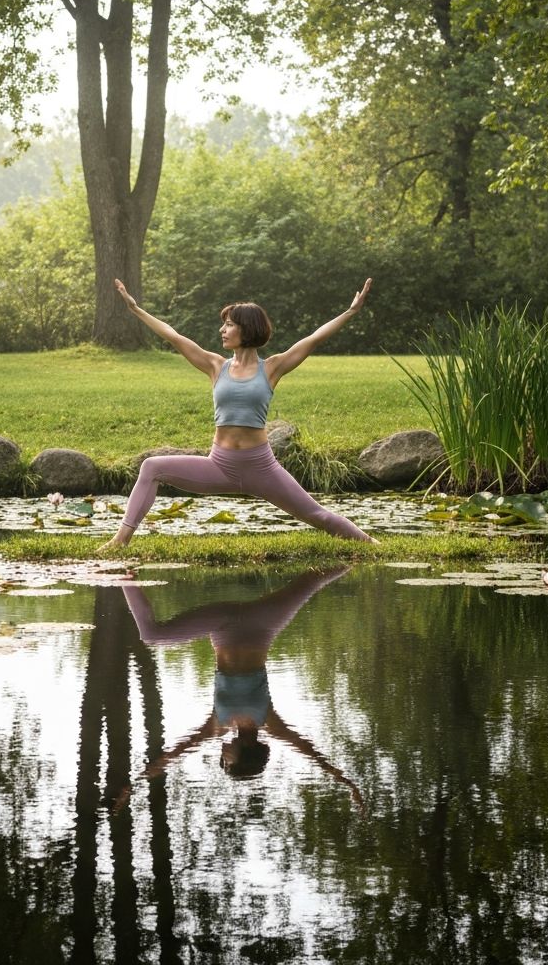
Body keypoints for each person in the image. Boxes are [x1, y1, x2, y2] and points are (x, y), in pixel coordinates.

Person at [102, 277, 376, 547]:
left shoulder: (271, 368)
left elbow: (315, 338)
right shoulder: (215, 366)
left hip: (262, 468)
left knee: (319, 516)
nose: (222, 329)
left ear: (247, 329)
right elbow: (173, 336)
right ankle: (121, 540)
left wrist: (351, 311)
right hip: (220, 465)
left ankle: (372, 545)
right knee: (152, 467)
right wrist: (135, 309)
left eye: (229, 324)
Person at [113, 568, 365, 812]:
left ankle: (125, 575)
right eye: (227, 762)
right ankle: (356, 548)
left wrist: (136, 783)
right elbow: (309, 752)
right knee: (312, 579)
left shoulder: (226, 725)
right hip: (262, 623)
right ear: (244, 754)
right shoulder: (256, 722)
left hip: (235, 623)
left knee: (152, 635)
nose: (222, 758)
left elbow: (173, 755)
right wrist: (346, 782)